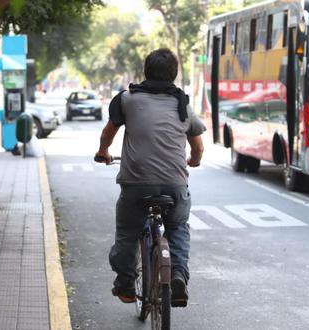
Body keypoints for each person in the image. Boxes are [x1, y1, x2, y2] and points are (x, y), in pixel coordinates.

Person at [94, 48, 206, 307]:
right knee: (177, 227)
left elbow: (107, 134)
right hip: (175, 185)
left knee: (127, 232)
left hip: (135, 185)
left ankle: (125, 284)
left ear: (146, 70)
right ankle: (177, 274)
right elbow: (198, 148)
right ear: (174, 74)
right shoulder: (182, 104)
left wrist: (103, 152)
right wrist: (194, 161)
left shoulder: (126, 99)